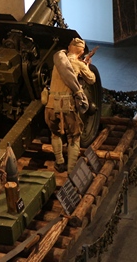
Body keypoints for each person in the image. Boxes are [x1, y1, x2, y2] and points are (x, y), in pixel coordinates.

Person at [45, 37, 96, 173]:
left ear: (69, 48)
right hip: (67, 106)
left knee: (55, 133)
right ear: (81, 52)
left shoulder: (58, 60)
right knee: (74, 136)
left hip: (50, 104)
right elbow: (92, 79)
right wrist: (86, 65)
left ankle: (59, 162)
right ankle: (71, 170)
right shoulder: (78, 64)